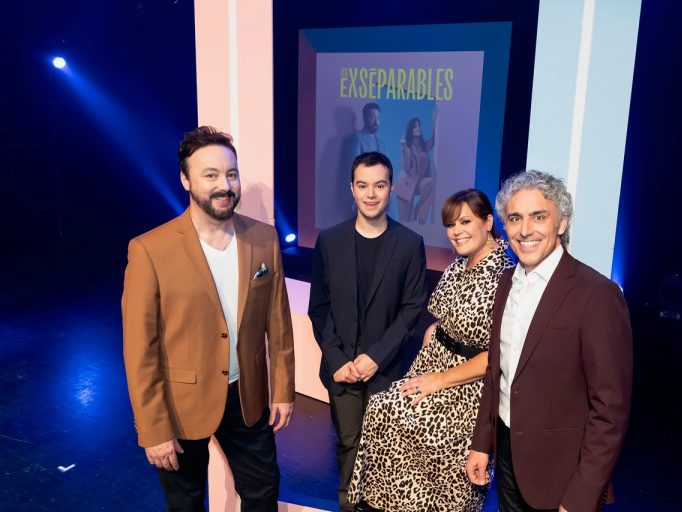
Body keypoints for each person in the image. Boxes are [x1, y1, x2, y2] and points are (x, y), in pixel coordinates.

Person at [122, 126, 295, 512]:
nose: (225, 185)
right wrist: (153, 428)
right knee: (186, 504)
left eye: (231, 174)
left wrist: (282, 388)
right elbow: (139, 350)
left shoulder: (264, 238)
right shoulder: (150, 250)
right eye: (211, 175)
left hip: (248, 396)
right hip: (180, 405)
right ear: (185, 179)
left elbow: (278, 324)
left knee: (263, 494)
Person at [466, 170, 633, 512]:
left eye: (538, 217)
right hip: (509, 457)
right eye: (515, 218)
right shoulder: (506, 283)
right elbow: (496, 373)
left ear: (561, 223)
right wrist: (482, 443)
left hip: (563, 478)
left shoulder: (597, 295)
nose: (525, 230)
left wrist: (581, 498)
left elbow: (610, 413)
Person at [348, 189, 513, 512]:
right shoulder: (463, 261)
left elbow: (497, 355)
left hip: (469, 384)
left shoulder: (504, 275)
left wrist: (439, 380)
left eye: (465, 221)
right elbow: (446, 313)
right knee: (382, 408)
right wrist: (434, 330)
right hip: (436, 361)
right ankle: (391, 504)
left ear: (488, 221)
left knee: (426, 438)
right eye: (451, 225)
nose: (456, 231)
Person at [309, 151, 427, 512]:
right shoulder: (329, 240)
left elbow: (411, 311)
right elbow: (320, 308)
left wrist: (376, 357)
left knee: (385, 451)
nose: (371, 193)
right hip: (341, 368)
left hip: (386, 370)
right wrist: (337, 358)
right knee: (348, 444)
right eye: (363, 185)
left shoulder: (410, 244)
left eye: (379, 185)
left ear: (391, 188)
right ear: (352, 189)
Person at [395, 110, 437, 224]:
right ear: (410, 130)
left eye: (419, 126)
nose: (417, 128)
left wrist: (434, 119)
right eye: (414, 127)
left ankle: (419, 211)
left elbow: (434, 139)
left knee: (430, 182)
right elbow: (407, 167)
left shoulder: (423, 146)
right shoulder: (407, 146)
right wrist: (405, 148)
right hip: (405, 185)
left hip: (418, 183)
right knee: (405, 222)